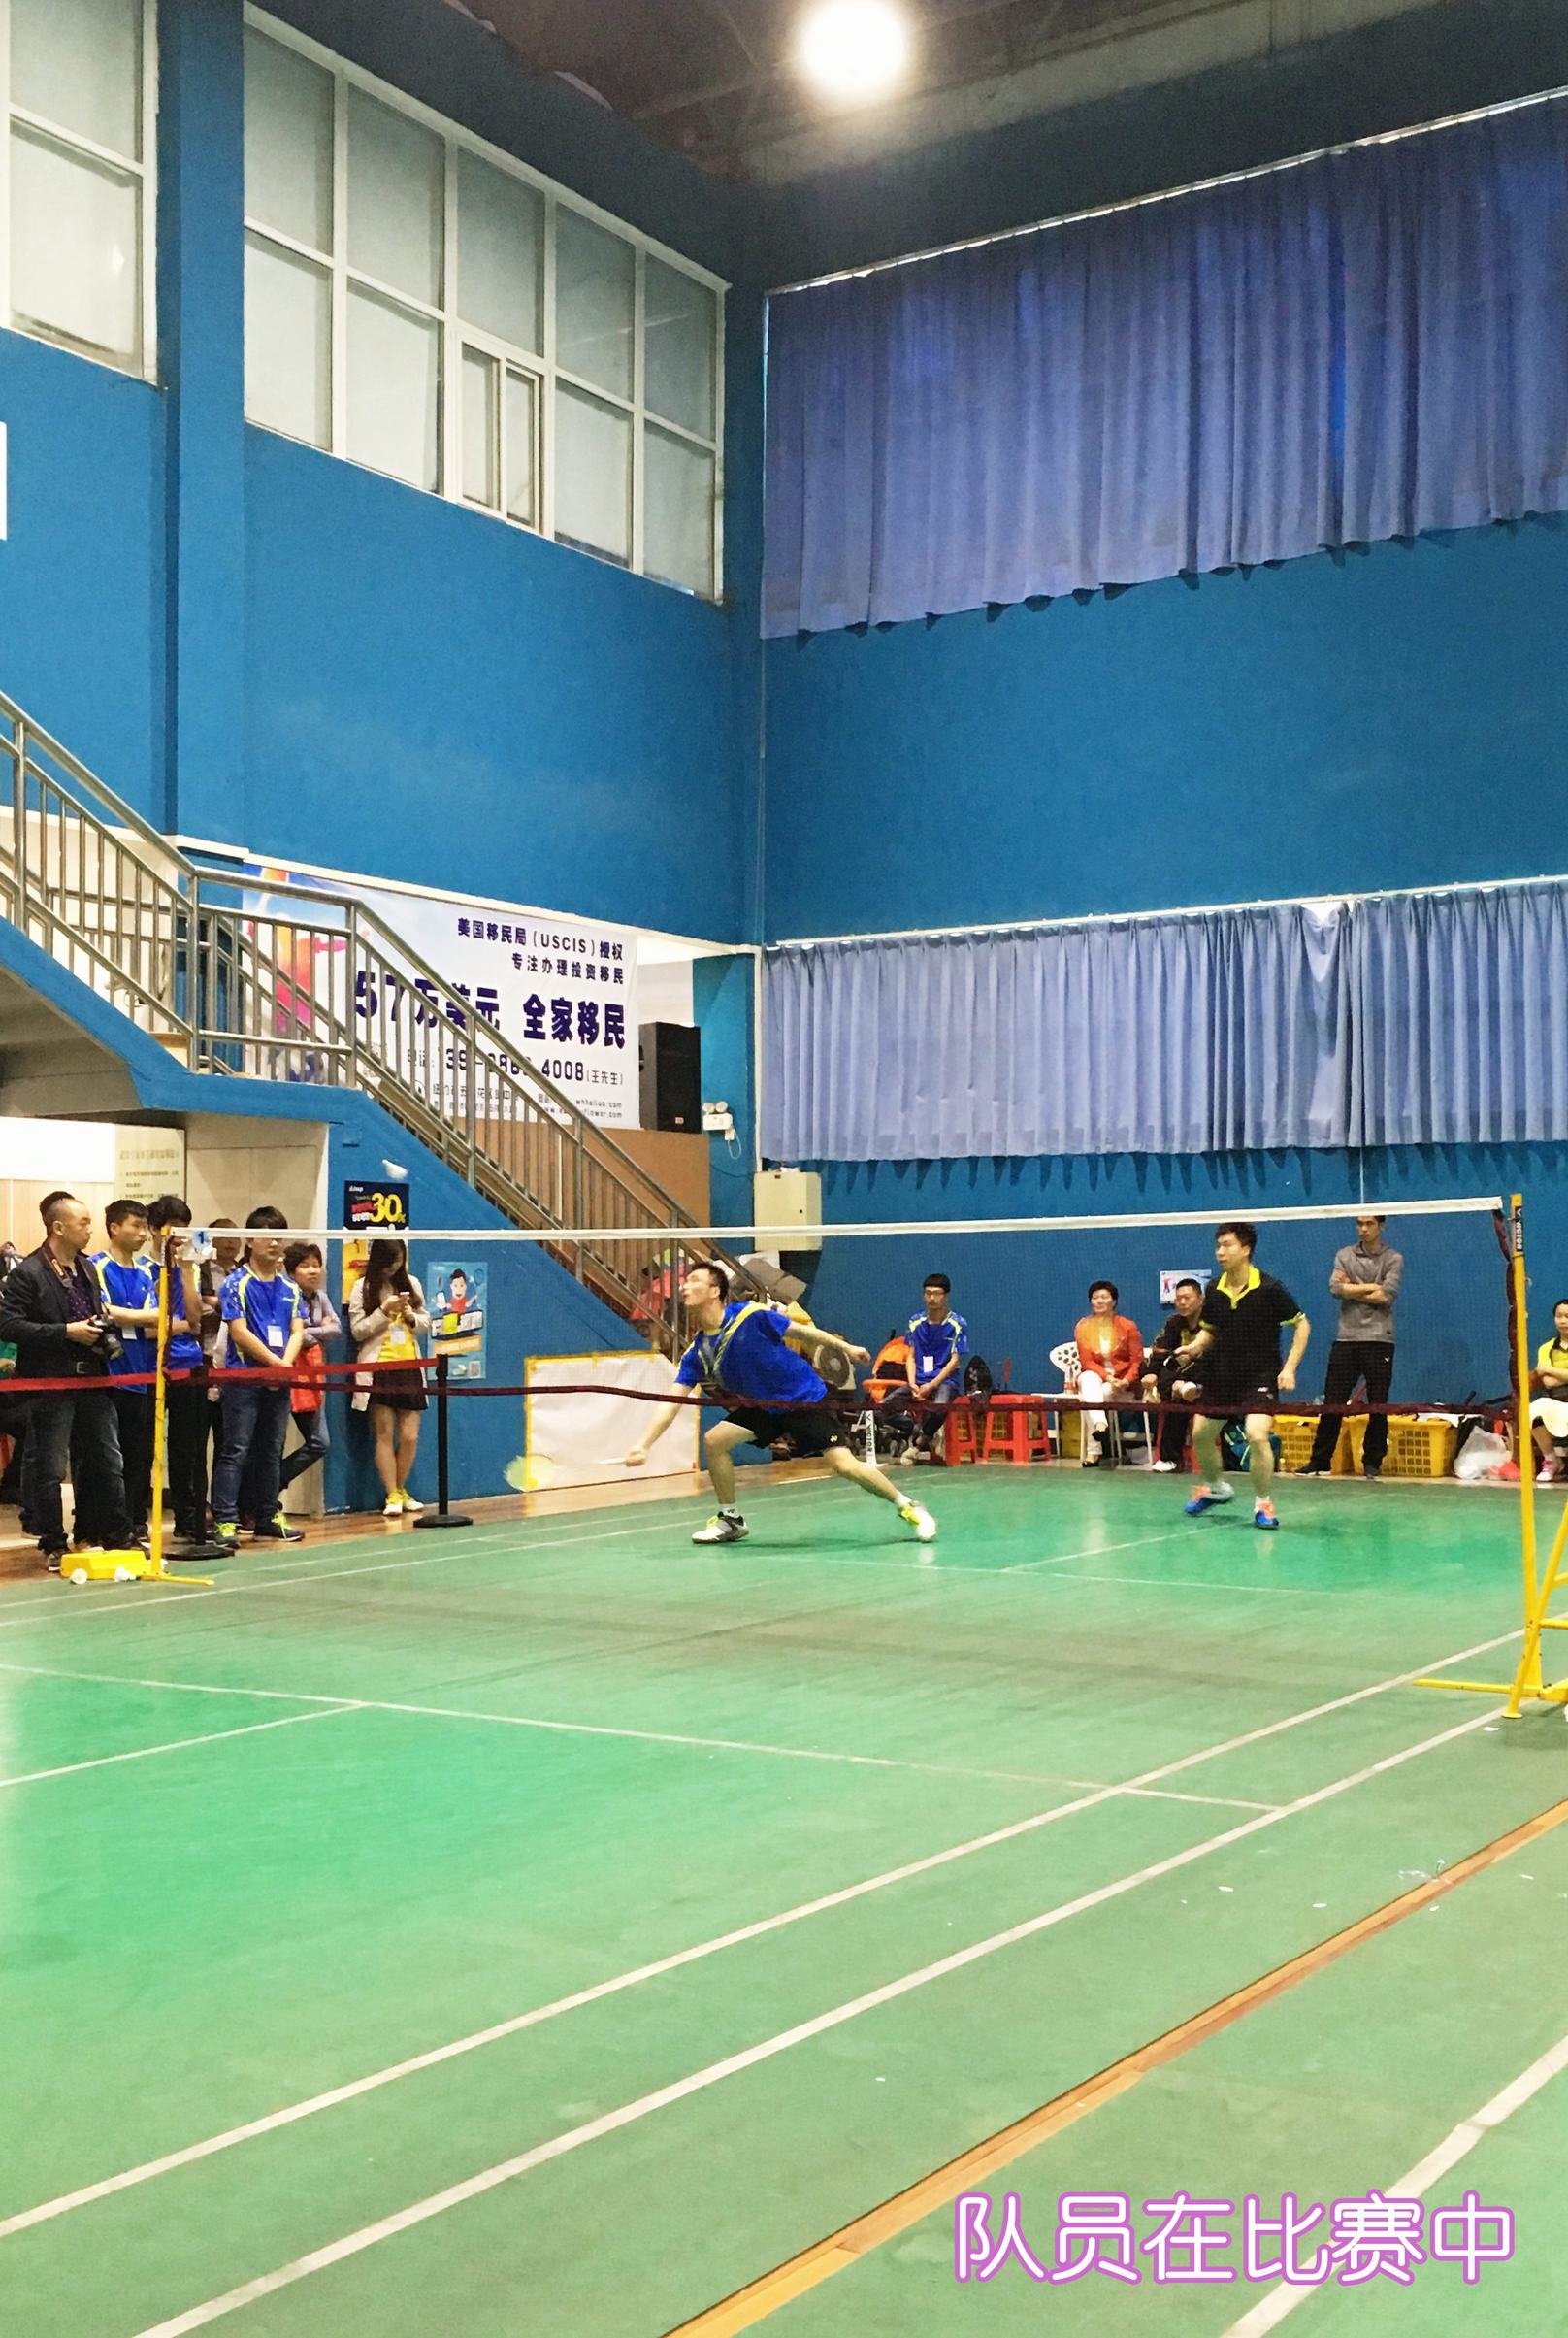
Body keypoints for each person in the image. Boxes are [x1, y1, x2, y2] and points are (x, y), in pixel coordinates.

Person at [624, 1259, 937, 1545]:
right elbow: (672, 1401)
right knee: (715, 1440)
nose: (684, 1286)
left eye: (694, 1280)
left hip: (804, 1398)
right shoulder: (698, 1352)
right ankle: (731, 1520)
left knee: (843, 1465)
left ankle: (909, 1506)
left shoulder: (750, 1316)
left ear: (715, 1291)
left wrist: (847, 1349)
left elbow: (804, 1333)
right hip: (765, 1407)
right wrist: (643, 1445)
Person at [0, 1194, 133, 1569]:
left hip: (93, 1380)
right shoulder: (29, 1273)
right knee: (51, 1467)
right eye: (84, 1222)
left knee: (106, 1459)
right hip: (51, 1383)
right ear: (58, 1227)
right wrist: (65, 1331)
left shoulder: (87, 1267)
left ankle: (104, 1533)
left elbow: (95, 1311)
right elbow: (8, 1325)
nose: (90, 1229)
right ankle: (53, 1541)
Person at [1171, 1223, 1310, 1532]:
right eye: (1218, 1246)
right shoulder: (1214, 1289)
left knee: (1257, 1434)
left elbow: (1302, 1325)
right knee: (1201, 1435)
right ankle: (1217, 1489)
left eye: (1227, 1245)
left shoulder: (1269, 1288)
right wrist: (1194, 1347)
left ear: (1245, 1249)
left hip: (1260, 1374)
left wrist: (1289, 1368)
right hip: (1222, 1374)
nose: (1220, 1252)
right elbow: (1210, 1330)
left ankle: (1263, 1503)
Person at [212, 1206, 306, 1546]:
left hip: (279, 1381)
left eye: (280, 1236)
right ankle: (226, 1520)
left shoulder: (290, 1287)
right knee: (235, 1450)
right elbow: (239, 1332)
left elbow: (297, 1329)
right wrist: (274, 1364)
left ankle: (267, 1515)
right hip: (243, 1381)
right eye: (267, 1235)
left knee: (271, 1450)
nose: (274, 1242)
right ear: (250, 1240)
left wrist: (285, 1365)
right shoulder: (236, 1283)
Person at [146, 1194, 221, 1557]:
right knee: (145, 1447)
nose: (178, 1236)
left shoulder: (188, 1268)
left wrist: (187, 1270)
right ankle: (136, 1522)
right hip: (151, 1368)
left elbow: (194, 1319)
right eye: (172, 1228)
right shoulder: (144, 1269)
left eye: (184, 1228)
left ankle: (191, 1520)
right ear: (154, 1230)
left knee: (189, 1447)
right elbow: (149, 1327)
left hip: (189, 1364)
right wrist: (175, 1325)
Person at [1301, 1213, 1404, 1480]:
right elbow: (1335, 1288)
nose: (1364, 1228)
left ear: (1381, 1225)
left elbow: (1385, 1295)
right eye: (1359, 1223)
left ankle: (1372, 1463)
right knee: (1332, 1402)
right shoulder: (1344, 1254)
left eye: (1369, 1223)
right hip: (1346, 1338)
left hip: (1379, 1339)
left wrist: (1353, 1288)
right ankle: (1320, 1461)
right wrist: (1370, 1287)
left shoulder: (1393, 1258)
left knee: (1378, 1405)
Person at [91, 1198, 160, 1541]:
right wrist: (132, 1316)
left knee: (140, 1454)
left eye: (145, 1227)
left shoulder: (147, 1270)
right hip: (107, 1374)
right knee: (106, 1457)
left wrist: (124, 1316)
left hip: (142, 1373)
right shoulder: (95, 1266)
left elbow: (157, 1316)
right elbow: (103, 1312)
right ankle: (106, 1524)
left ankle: (135, 1521)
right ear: (114, 1227)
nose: (143, 1234)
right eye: (136, 1226)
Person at [348, 1239, 430, 1516]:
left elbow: (426, 1322)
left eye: (399, 1260)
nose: (394, 1266)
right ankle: (392, 1494)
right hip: (379, 1368)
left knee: (410, 1435)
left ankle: (401, 1487)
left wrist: (411, 1316)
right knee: (384, 1433)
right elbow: (358, 1330)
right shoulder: (362, 1287)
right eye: (390, 1260)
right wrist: (384, 1311)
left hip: (410, 1366)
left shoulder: (412, 1283)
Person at [279, 1241, 341, 1499]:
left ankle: (274, 1481)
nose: (313, 1271)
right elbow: (292, 1335)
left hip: (312, 1375)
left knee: (320, 1442)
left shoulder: (320, 1297)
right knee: (274, 1444)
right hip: (284, 1372)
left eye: (316, 1265)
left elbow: (336, 1328)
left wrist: (308, 1330)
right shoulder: (283, 1294)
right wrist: (317, 1330)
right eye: (305, 1266)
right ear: (291, 1271)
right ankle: (263, 1501)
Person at [1074, 1280, 1145, 1465]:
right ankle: (1101, 1424)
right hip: (1098, 1379)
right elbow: (1087, 1362)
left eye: (1104, 1297)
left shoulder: (1128, 1326)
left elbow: (1137, 1361)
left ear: (1114, 1301)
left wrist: (1125, 1381)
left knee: (1090, 1397)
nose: (1099, 1301)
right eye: (1095, 1298)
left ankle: (1093, 1451)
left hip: (1123, 1384)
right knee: (1088, 1378)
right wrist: (1108, 1378)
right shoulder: (1083, 1327)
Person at [1143, 1277, 1206, 1470]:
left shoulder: (1211, 1324)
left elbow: (1214, 1358)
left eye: (1187, 1297)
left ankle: (1190, 1388)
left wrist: (1184, 1379)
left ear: (1201, 1299)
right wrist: (1152, 1373)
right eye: (1178, 1299)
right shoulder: (1173, 1323)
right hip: (1179, 1383)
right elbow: (1160, 1351)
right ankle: (1170, 1459)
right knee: (1175, 1398)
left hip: (1209, 1378)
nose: (1182, 1302)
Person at [905, 1273, 969, 1462]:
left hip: (945, 1381)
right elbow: (910, 1356)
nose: (931, 1298)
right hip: (918, 1380)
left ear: (946, 1296)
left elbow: (954, 1361)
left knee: (940, 1407)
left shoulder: (958, 1324)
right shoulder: (915, 1321)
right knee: (885, 1407)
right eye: (928, 1293)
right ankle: (921, 1431)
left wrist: (931, 1385)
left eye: (936, 1293)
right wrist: (912, 1384)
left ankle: (919, 1443)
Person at [1530, 1300, 1568, 1484]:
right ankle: (1552, 1460)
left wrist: (1550, 1369)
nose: (1563, 1320)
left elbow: (1548, 1374)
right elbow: (1548, 1382)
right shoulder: (1546, 1348)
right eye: (1559, 1316)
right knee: (1534, 1411)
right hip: (1557, 1402)